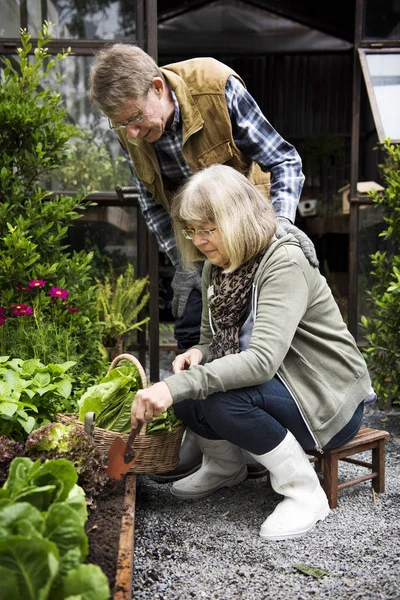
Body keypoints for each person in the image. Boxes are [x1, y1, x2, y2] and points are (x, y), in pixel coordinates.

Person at [88, 44, 316, 480]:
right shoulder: (130, 124)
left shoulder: (216, 87)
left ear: (157, 87)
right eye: (121, 125)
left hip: (252, 235)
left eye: (135, 119)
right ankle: (219, 454)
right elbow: (154, 205)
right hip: (199, 240)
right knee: (194, 337)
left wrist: (282, 228)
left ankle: (269, 446)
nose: (130, 133)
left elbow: (284, 159)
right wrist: (188, 265)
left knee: (256, 343)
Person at [130, 165, 372, 541]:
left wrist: (179, 385)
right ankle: (225, 467)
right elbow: (211, 341)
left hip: (324, 399)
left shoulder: (283, 262)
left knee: (218, 401)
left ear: (237, 219)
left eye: (207, 229)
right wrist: (196, 354)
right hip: (283, 386)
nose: (198, 241)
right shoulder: (219, 268)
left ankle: (304, 493)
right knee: (188, 393)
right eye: (192, 231)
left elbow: (261, 362)